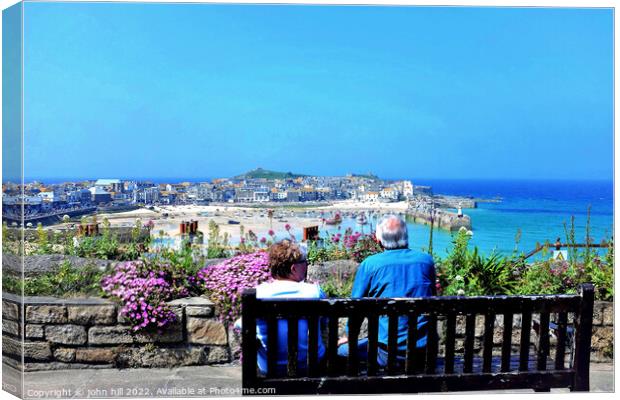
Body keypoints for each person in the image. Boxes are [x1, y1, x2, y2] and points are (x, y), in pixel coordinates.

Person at [337, 215, 436, 369]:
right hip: (424, 352)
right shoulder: (426, 261)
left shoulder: (370, 265)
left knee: (341, 350)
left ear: (378, 240)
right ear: (406, 236)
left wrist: (349, 336)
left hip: (387, 354)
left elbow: (355, 307)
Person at [253, 240, 327, 375]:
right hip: (310, 365)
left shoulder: (258, 293)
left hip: (270, 367)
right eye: (305, 262)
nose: (306, 265)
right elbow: (324, 323)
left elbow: (241, 326)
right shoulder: (315, 292)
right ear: (293, 268)